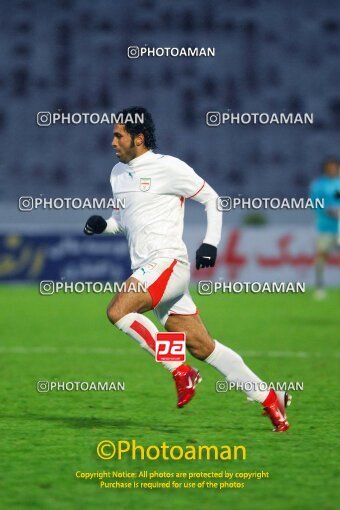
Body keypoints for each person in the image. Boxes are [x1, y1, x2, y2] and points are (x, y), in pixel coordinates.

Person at [84, 106, 290, 432]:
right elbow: (124, 223)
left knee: (118, 311)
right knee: (202, 346)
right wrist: (103, 226)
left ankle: (180, 371)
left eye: (118, 135)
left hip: (167, 264)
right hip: (153, 272)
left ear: (138, 138)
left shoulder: (169, 168)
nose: (112, 141)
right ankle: (271, 399)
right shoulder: (117, 175)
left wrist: (210, 243)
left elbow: (213, 199)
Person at [310, 159, 340, 299]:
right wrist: (331, 212)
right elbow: (315, 203)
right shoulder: (319, 185)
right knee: (322, 255)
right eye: (330, 167)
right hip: (326, 227)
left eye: (335, 167)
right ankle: (320, 287)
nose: (333, 169)